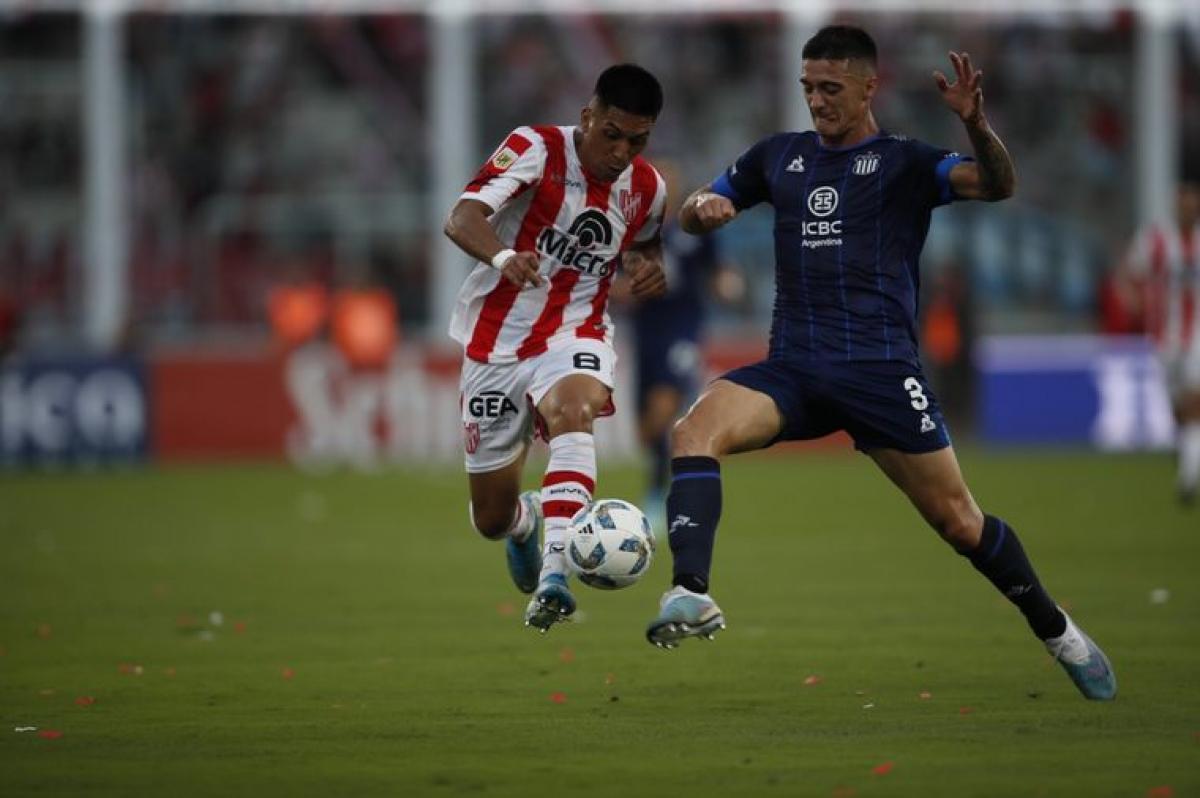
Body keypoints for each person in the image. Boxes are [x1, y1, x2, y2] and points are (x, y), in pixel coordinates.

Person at [646, 25, 1117, 701]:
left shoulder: (904, 162)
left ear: (871, 86)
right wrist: (703, 208)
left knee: (960, 522)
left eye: (831, 88)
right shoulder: (778, 158)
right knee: (694, 432)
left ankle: (1057, 631)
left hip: (880, 372)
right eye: (809, 88)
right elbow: (695, 212)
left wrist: (978, 125)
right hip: (794, 370)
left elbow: (997, 184)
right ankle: (690, 591)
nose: (817, 101)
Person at [444, 64, 668, 633]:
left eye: (637, 141)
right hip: (495, 344)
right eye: (611, 134)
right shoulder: (536, 148)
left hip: (577, 331)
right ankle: (525, 525)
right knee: (491, 518)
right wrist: (502, 257)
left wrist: (648, 271)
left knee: (575, 411)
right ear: (586, 117)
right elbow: (461, 217)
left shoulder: (649, 189)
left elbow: (646, 244)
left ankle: (555, 578)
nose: (622, 153)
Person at [618, 159, 744, 529]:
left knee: (662, 410)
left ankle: (659, 495)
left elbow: (718, 269)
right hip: (645, 332)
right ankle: (665, 482)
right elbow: (612, 285)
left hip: (683, 330)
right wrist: (630, 290)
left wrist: (726, 283)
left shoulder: (696, 229)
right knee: (645, 431)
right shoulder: (633, 232)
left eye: (670, 180)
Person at [1124, 182, 1200, 505]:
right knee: (1177, 411)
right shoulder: (1154, 238)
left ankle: (1187, 480)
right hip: (1163, 339)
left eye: (1191, 203)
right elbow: (1130, 274)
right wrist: (1138, 304)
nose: (1187, 208)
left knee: (1193, 402)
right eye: (1182, 202)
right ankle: (1189, 456)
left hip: (1196, 335)